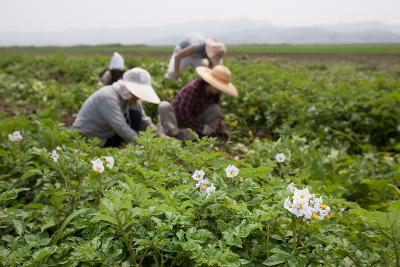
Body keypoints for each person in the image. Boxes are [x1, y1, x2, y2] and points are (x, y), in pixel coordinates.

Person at [72, 67, 160, 147]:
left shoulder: (131, 99)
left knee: (136, 114)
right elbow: (120, 126)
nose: (139, 97)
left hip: (108, 133)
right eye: (137, 93)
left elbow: (145, 121)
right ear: (128, 89)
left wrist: (160, 137)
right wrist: (144, 146)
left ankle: (121, 146)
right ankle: (117, 148)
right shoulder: (108, 97)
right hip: (88, 137)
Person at [158, 65, 238, 140]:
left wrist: (223, 127)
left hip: (191, 123)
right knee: (164, 105)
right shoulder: (193, 88)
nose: (220, 90)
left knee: (215, 108)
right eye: (218, 86)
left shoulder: (214, 94)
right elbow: (183, 112)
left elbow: (217, 115)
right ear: (210, 83)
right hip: (176, 119)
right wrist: (201, 128)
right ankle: (174, 135)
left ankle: (204, 136)